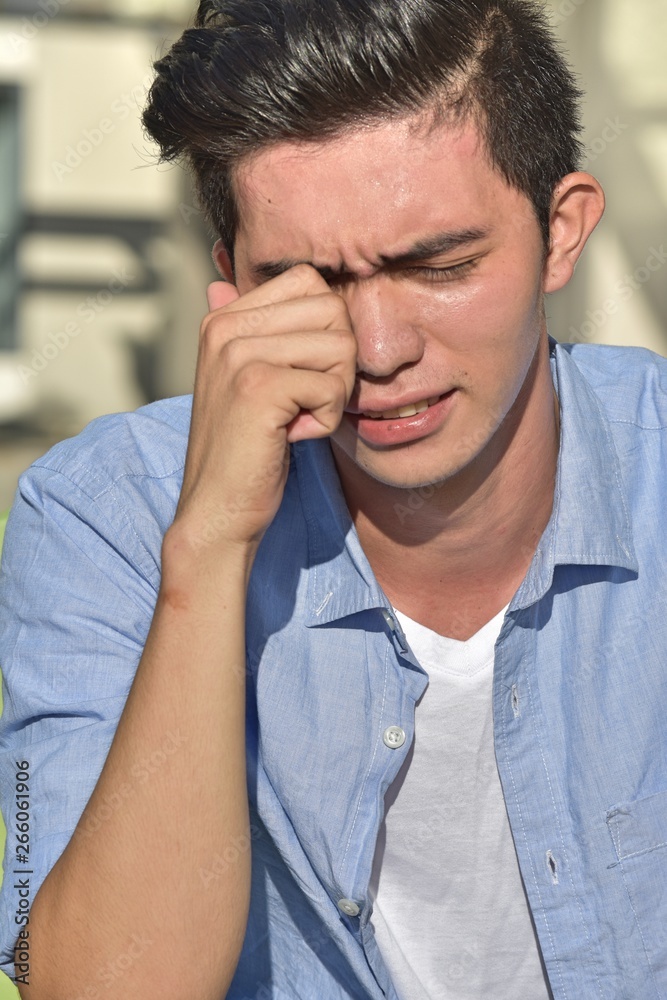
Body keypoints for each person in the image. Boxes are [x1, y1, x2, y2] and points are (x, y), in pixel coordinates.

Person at [1, 0, 666, 997]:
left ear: (559, 232)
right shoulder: (105, 516)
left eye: (438, 266)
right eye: (304, 282)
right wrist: (209, 547)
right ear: (230, 285)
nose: (380, 350)